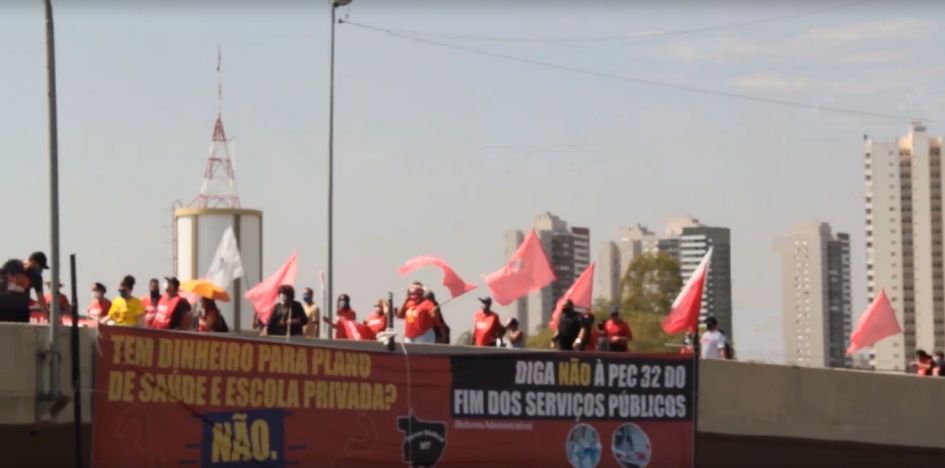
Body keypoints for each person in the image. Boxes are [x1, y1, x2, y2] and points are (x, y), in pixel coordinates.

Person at [0, 251, 48, 323]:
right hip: (4, 308)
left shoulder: (36, 277)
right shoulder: (12, 264)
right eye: (40, 267)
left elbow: (40, 299)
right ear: (33, 262)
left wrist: (49, 318)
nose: (40, 270)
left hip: (21, 311)